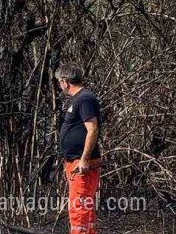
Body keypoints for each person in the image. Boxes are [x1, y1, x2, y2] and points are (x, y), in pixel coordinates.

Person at [57, 63, 102, 234]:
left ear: (65, 81)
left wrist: (84, 159)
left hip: (82, 163)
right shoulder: (79, 99)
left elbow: (93, 129)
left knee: (79, 209)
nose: (60, 85)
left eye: (60, 82)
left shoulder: (84, 99)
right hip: (74, 161)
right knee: (85, 208)